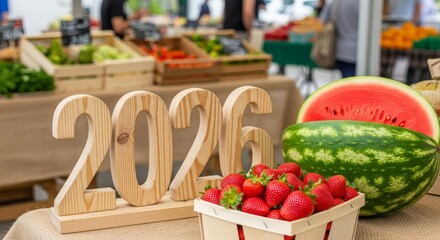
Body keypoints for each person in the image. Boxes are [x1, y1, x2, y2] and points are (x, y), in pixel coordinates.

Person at [320, 0, 359, 78]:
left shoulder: (335, 2)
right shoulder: (363, 3)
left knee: (345, 82)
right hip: (357, 51)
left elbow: (322, 21)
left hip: (339, 50)